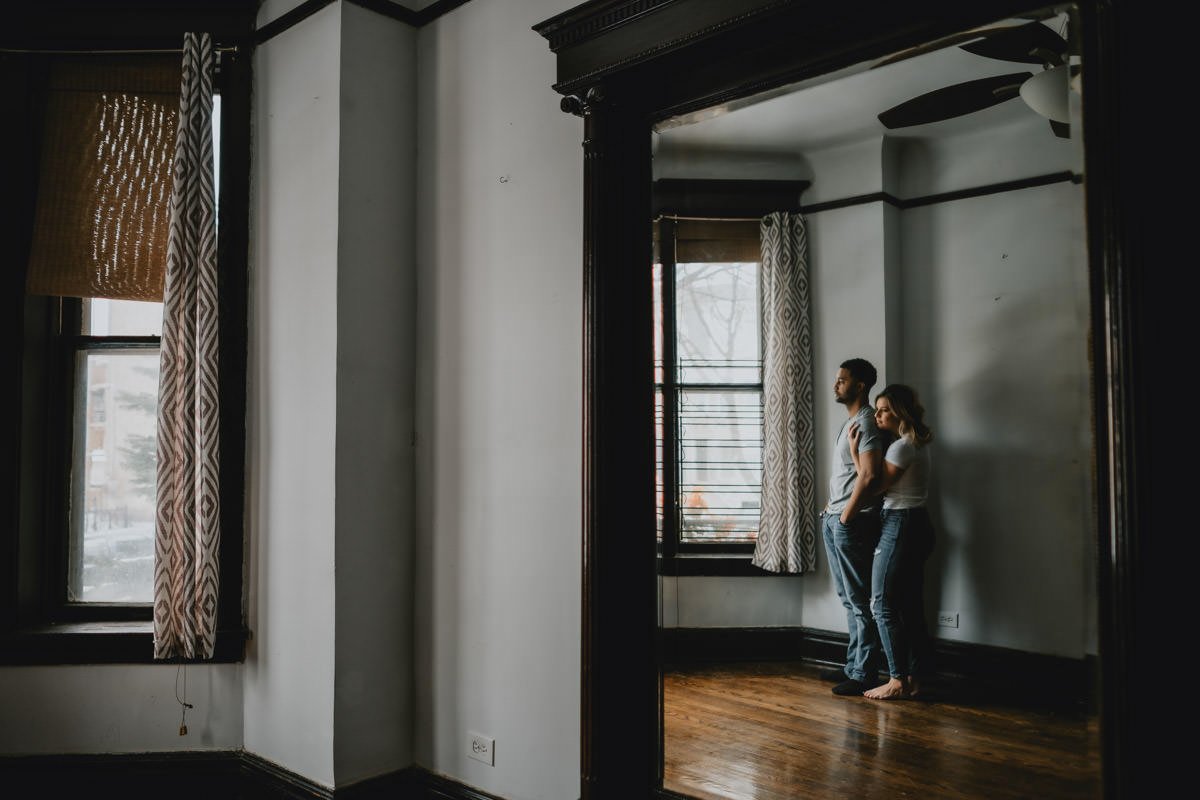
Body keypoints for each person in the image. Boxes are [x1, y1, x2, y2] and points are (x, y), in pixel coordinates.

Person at [849, 383, 935, 700]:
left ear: (899, 411)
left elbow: (873, 486)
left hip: (901, 524)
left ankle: (896, 679)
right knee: (910, 606)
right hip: (917, 523)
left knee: (881, 604)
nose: (879, 414)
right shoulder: (916, 443)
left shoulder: (901, 447)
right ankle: (915, 677)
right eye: (878, 408)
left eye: (884, 409)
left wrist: (855, 454)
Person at [822, 358, 885, 696]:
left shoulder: (868, 424)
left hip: (852, 522)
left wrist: (845, 515)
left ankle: (864, 673)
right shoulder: (852, 422)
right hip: (836, 518)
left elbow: (871, 475)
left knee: (859, 600)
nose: (836, 385)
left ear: (860, 385)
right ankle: (853, 666)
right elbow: (848, 475)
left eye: (842, 380)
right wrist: (832, 510)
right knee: (848, 598)